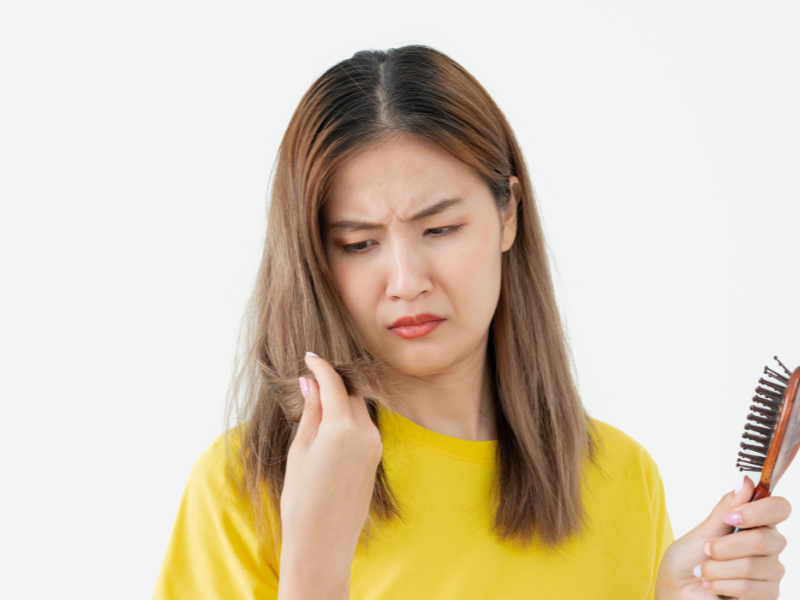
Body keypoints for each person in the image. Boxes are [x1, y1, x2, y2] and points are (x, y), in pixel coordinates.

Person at [152, 45, 790, 600]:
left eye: (441, 229)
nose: (406, 281)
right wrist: (315, 564)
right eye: (357, 243)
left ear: (509, 212)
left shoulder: (621, 477)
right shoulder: (248, 487)